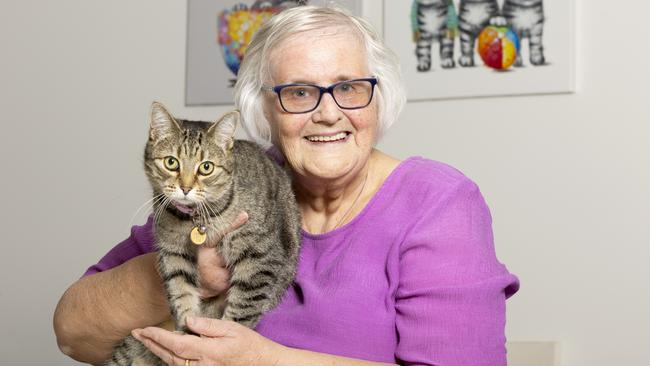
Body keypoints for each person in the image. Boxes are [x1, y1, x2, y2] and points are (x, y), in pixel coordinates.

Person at [53, 5, 519, 366]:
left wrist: (263, 358)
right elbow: (71, 330)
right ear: (264, 111)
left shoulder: (438, 203)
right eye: (299, 92)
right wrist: (194, 272)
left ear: (380, 98)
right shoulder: (226, 184)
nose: (329, 112)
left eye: (351, 87)